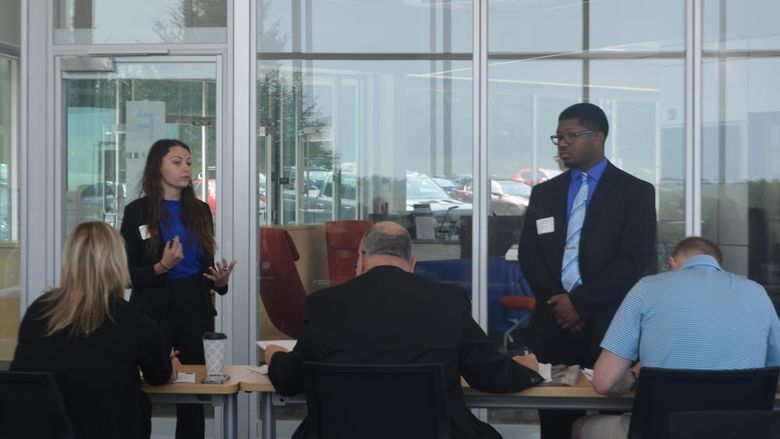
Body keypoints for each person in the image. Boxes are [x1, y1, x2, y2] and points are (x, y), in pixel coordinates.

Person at [265, 221, 544, 439]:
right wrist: (527, 367)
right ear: (412, 264)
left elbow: (289, 381)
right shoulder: (447, 302)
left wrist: (274, 355)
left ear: (361, 258)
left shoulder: (323, 305)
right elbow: (490, 373)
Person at [517, 102, 657, 439]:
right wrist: (559, 302)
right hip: (554, 325)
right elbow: (530, 254)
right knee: (555, 423)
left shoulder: (634, 192)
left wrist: (579, 303)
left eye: (570, 136)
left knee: (610, 418)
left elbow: (632, 260)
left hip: (609, 327)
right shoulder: (545, 193)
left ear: (598, 137)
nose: (562, 144)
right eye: (558, 137)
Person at [575, 237, 780, 439]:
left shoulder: (646, 288)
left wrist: (633, 376)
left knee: (581, 426)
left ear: (672, 263)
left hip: (661, 431)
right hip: (739, 432)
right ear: (719, 265)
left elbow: (604, 383)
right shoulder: (757, 293)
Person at [10, 221, 179, 439]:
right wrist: (172, 367)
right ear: (118, 263)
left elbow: (21, 377)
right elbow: (158, 375)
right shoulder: (134, 322)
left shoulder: (39, 311)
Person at [120, 138, 236, 439]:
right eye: (177, 161)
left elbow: (205, 265)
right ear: (157, 167)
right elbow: (125, 274)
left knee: (193, 394)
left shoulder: (200, 210)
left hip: (194, 310)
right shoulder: (136, 212)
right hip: (151, 311)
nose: (186, 168)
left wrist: (219, 282)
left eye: (188, 162)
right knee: (143, 388)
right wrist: (162, 266)